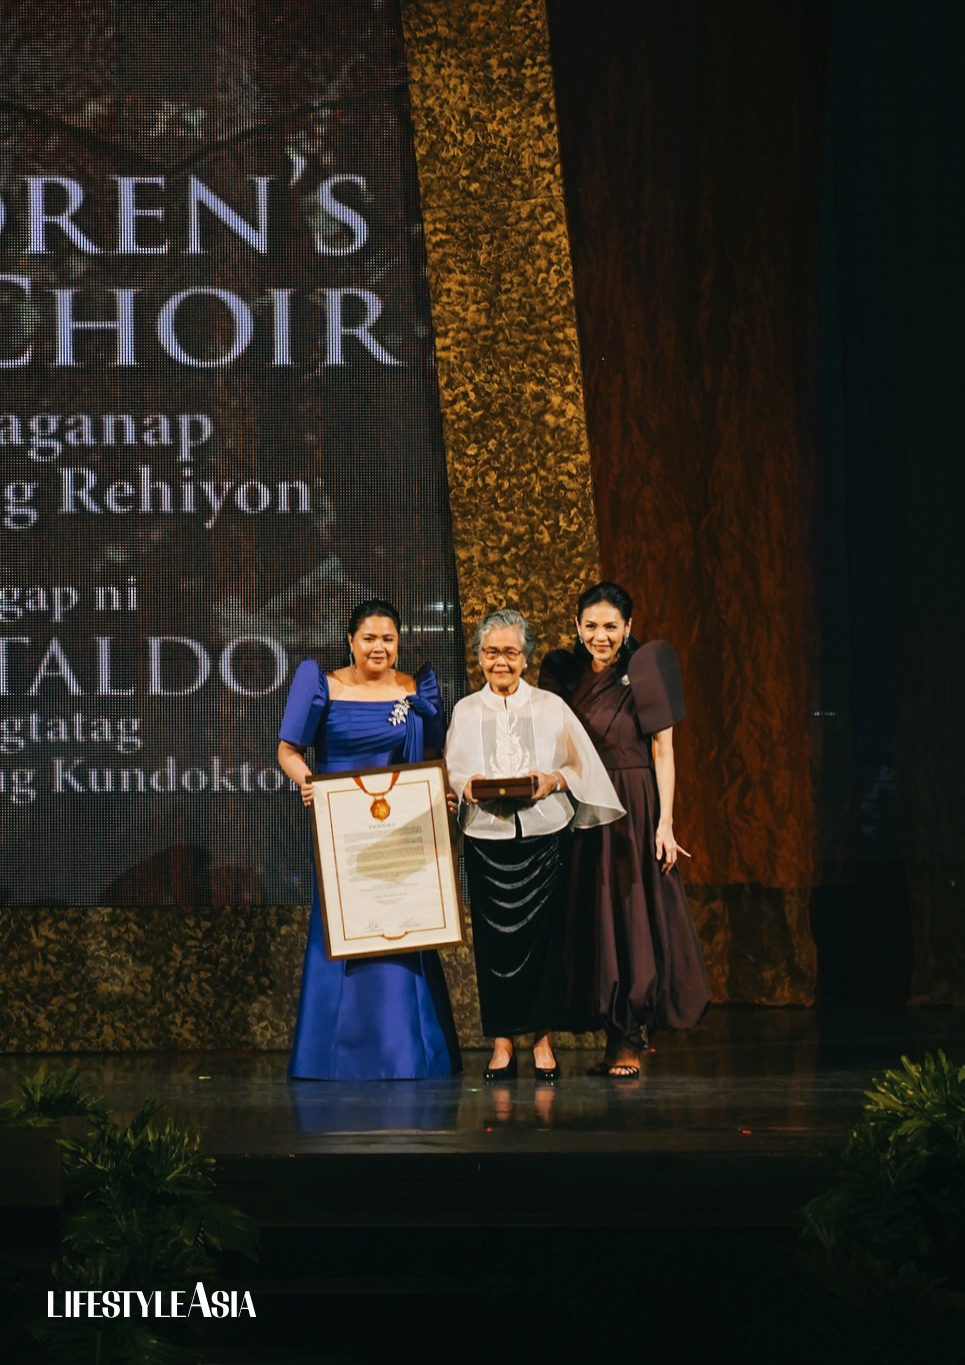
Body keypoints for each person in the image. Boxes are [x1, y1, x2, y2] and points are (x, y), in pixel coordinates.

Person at [277, 598, 461, 1080]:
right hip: (343, 828)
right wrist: (307, 781)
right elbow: (288, 750)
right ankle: (331, 1055)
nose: (379, 647)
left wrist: (441, 796)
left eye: (388, 639)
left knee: (403, 924)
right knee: (340, 926)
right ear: (350, 641)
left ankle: (405, 1052)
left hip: (402, 828)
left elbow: (435, 753)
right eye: (369, 638)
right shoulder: (322, 683)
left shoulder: (417, 686)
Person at [539, 581, 710, 1077]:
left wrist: (666, 822)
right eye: (590, 625)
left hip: (631, 807)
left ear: (629, 627)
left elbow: (663, 751)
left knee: (630, 915)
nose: (600, 635)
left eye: (610, 626)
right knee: (594, 919)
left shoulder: (647, 672)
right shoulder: (565, 677)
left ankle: (630, 1037)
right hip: (581, 806)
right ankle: (609, 1033)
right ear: (576, 626)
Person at [445, 608, 623, 1082]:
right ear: (479, 657)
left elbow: (580, 766)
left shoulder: (550, 706)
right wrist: (466, 785)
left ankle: (543, 1041)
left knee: (547, 944)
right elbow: (455, 771)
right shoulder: (465, 709)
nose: (499, 662)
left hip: (544, 837)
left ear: (525, 657)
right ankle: (502, 1043)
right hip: (487, 839)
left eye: (509, 652)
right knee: (494, 946)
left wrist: (553, 780)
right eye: (490, 652)